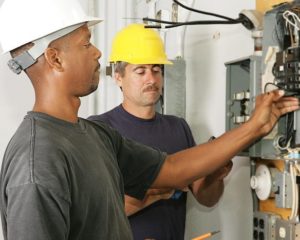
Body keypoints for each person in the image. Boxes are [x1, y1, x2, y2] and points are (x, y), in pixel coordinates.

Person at [0, 0, 299, 240]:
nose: (98, 52)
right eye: (86, 43)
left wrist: (257, 125)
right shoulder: (37, 162)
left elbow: (173, 168)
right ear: (55, 58)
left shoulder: (94, 135)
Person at [88, 23, 233, 240]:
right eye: (141, 71)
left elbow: (206, 199)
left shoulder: (178, 128)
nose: (151, 79)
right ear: (118, 77)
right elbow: (98, 213)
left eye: (156, 70)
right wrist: (160, 189)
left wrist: (215, 176)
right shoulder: (100, 129)